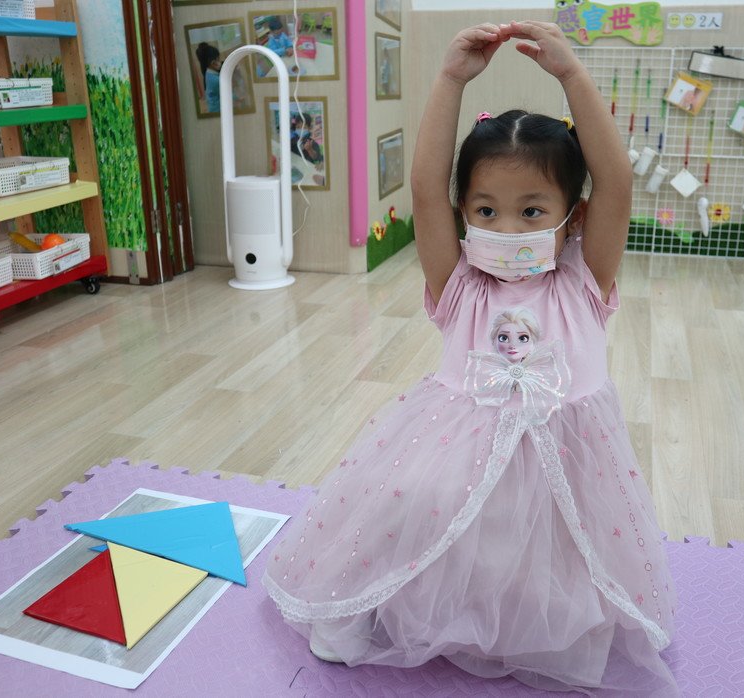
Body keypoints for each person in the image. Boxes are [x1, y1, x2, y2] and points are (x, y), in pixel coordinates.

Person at [263, 21, 677, 694]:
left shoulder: (583, 280)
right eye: (485, 210)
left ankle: (528, 622)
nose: (505, 228)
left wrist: (572, 74)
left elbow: (617, 183)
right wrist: (450, 78)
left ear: (572, 217)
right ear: (463, 213)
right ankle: (363, 605)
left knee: (547, 546)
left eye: (531, 211)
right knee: (413, 513)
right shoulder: (457, 284)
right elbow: (426, 189)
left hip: (566, 455)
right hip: (454, 447)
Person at [195, 42, 221, 113]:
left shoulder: (207, 74)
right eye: (218, 59)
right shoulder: (216, 80)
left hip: (212, 108)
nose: (220, 61)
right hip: (217, 110)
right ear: (213, 63)